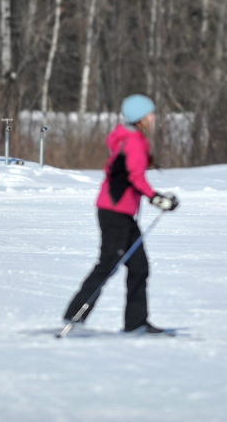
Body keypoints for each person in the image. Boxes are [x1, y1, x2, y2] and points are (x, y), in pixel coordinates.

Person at [63, 94, 179, 334]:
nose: (154, 117)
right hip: (115, 212)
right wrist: (156, 198)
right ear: (141, 118)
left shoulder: (127, 138)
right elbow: (135, 176)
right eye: (150, 114)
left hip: (120, 212)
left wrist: (155, 197)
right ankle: (74, 317)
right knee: (108, 263)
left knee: (139, 267)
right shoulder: (134, 141)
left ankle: (136, 323)